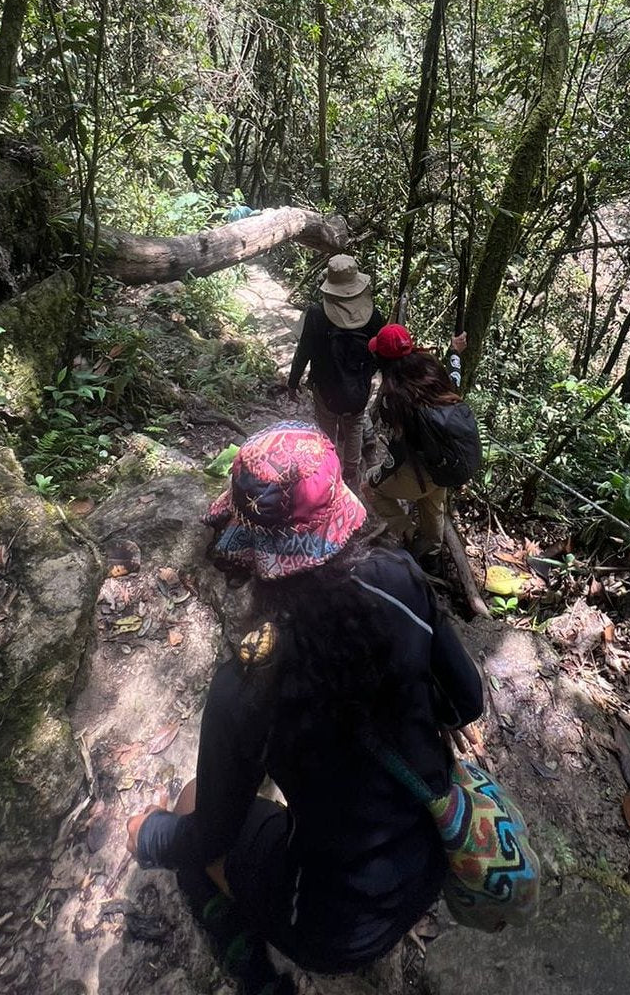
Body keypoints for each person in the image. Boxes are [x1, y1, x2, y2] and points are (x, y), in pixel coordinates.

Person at [126, 422, 483, 992]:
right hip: (436, 855)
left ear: (254, 548)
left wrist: (148, 836)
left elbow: (209, 836)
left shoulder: (249, 682)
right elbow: (466, 699)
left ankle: (256, 974)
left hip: (336, 926)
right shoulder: (400, 577)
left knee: (191, 806)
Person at [364, 326, 474, 572]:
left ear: (382, 359)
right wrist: (455, 354)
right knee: (433, 506)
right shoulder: (430, 366)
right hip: (445, 460)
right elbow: (454, 384)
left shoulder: (395, 396)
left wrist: (376, 478)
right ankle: (432, 556)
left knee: (370, 487)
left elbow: (397, 453)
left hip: (420, 467)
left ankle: (411, 536)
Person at [286, 254, 383, 480]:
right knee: (355, 426)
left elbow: (304, 352)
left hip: (326, 389)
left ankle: (327, 471)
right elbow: (378, 356)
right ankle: (351, 471)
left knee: (327, 428)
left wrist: (293, 383)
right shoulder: (373, 316)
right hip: (358, 390)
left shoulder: (317, 314)